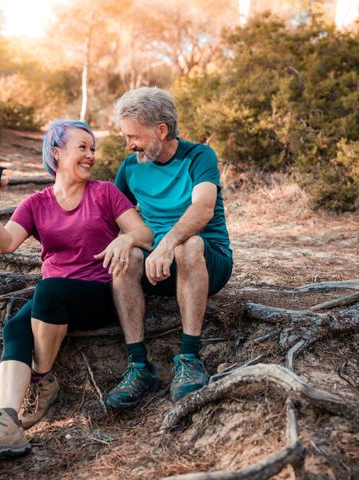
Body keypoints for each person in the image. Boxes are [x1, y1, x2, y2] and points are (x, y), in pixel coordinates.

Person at [0, 120, 152, 463]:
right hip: (54, 301)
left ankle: (42, 380)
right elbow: (5, 243)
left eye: (93, 149)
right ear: (57, 153)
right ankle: (7, 423)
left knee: (48, 291)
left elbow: (144, 235)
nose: (90, 155)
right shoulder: (36, 202)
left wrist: (125, 237)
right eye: (82, 147)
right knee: (15, 325)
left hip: (100, 293)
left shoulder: (104, 192)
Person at [105, 87, 233, 408]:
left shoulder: (198, 156)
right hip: (156, 266)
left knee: (187, 246)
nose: (129, 144)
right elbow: (109, 215)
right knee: (128, 255)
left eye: (134, 136)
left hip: (206, 260)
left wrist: (167, 243)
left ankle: (189, 357)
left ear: (161, 130)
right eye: (126, 137)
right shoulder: (131, 167)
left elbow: (203, 208)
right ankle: (138, 366)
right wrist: (127, 238)